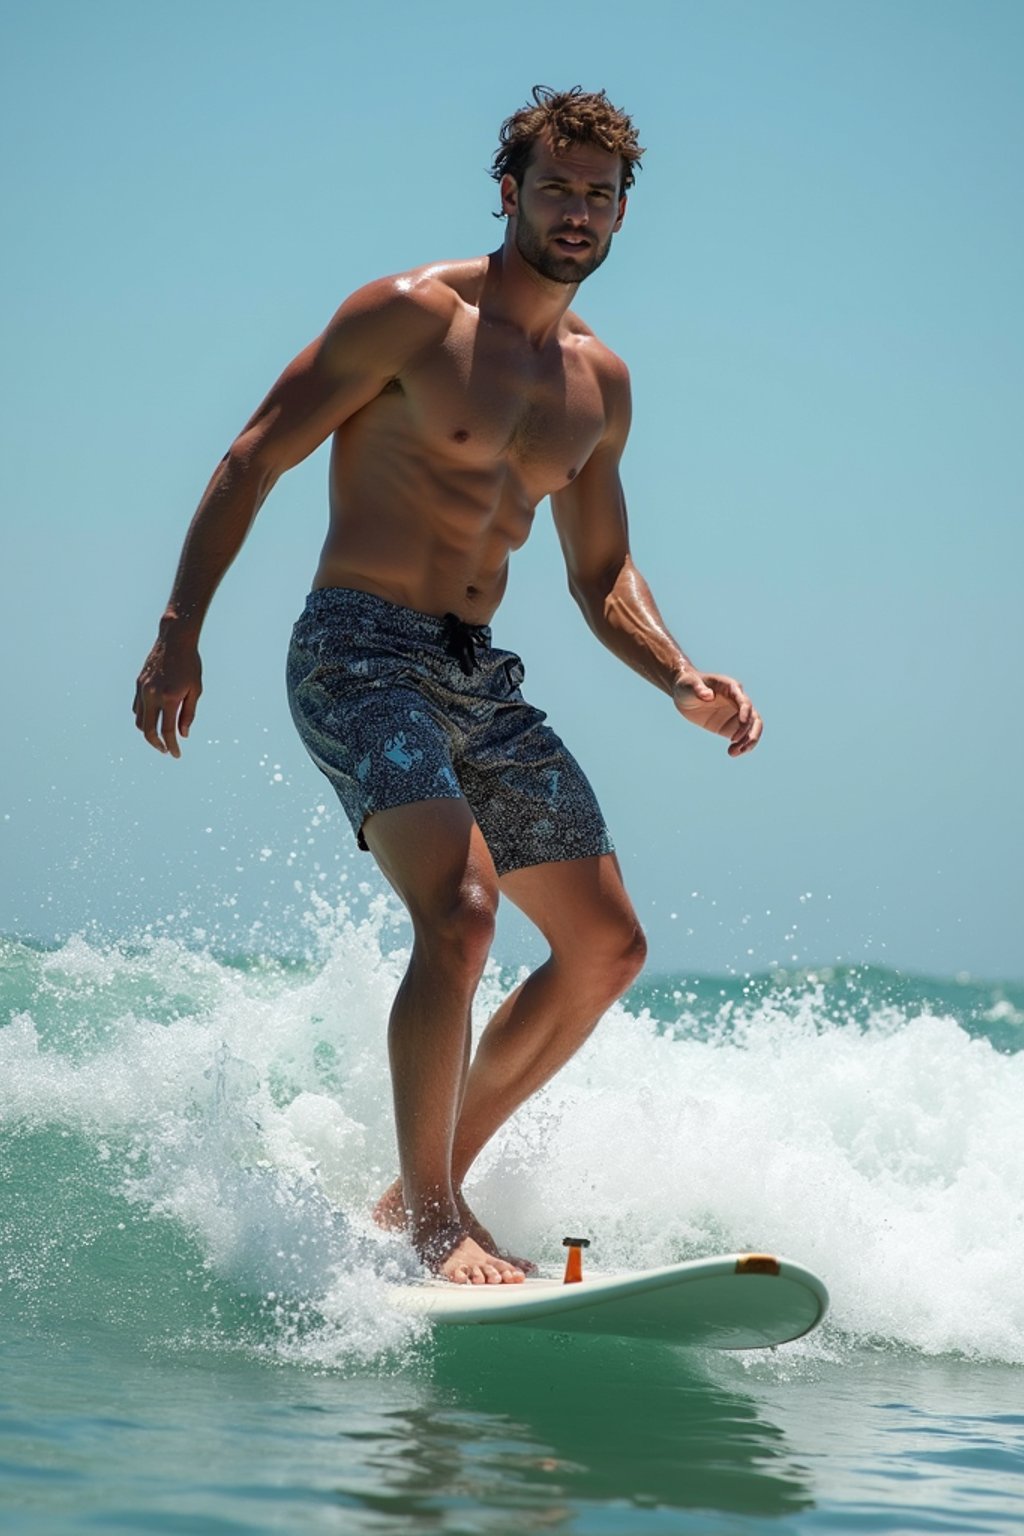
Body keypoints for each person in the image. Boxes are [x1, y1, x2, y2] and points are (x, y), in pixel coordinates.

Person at [134, 85, 763, 1286]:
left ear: (624, 211)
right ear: (509, 192)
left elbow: (600, 570)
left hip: (475, 671)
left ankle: (419, 1190)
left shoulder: (598, 383)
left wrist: (677, 674)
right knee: (462, 912)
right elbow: (254, 453)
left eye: (598, 193)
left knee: (604, 948)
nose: (576, 210)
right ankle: (434, 1222)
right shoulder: (410, 318)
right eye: (556, 186)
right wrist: (180, 629)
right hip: (357, 650)